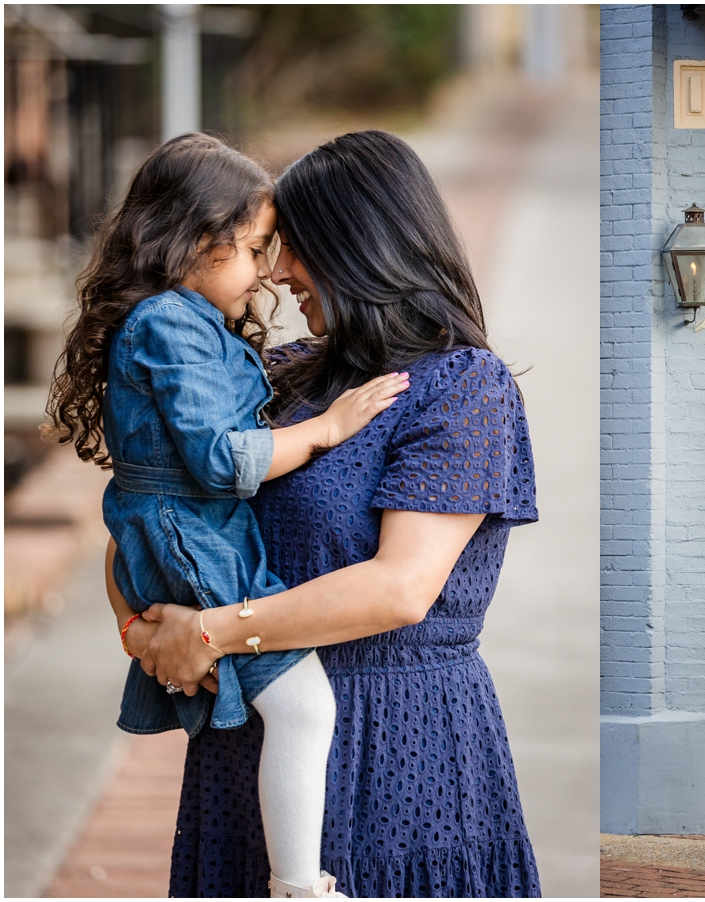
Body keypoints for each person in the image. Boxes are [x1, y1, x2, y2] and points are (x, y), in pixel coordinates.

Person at [110, 130, 541, 897]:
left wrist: (209, 632)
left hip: (399, 746)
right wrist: (140, 631)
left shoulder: (463, 387)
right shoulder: (278, 375)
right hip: (251, 747)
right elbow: (150, 516)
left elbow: (399, 590)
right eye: (266, 248)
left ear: (356, 245)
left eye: (293, 246)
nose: (277, 272)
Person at [49, 134, 409, 898]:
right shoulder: (170, 324)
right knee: (304, 706)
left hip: (192, 533)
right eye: (252, 248)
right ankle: (298, 886)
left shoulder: (182, 321)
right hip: (194, 538)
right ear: (191, 241)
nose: (267, 270)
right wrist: (325, 429)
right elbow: (221, 459)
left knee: (288, 706)